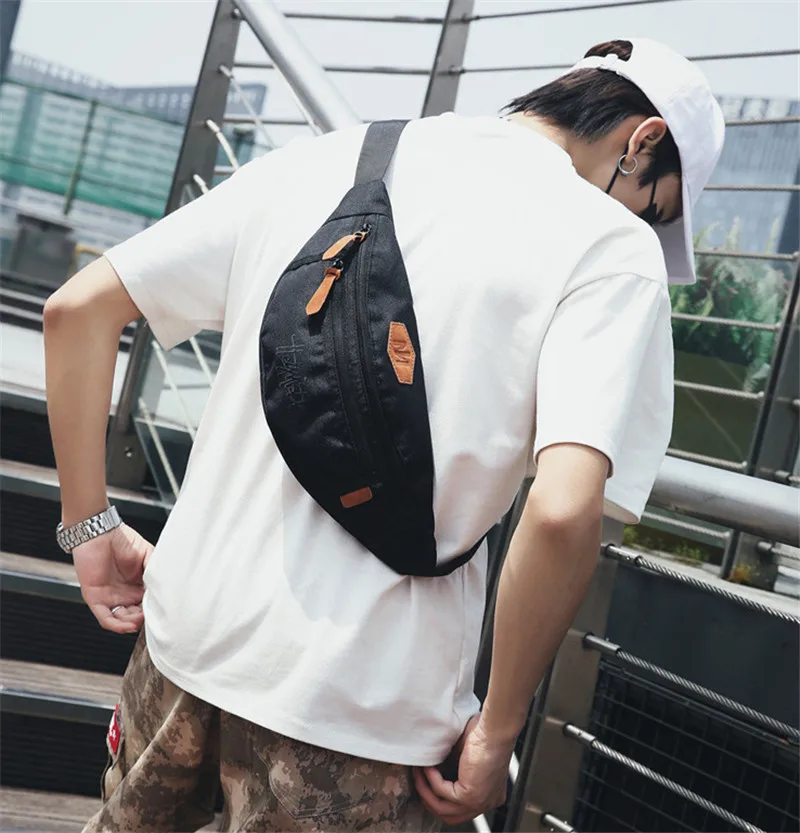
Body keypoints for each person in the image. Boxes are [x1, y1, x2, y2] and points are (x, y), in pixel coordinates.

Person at [44, 37, 724, 832]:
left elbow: (77, 309)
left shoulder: (338, 155)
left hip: (182, 644)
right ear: (642, 141)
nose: (642, 221)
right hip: (359, 711)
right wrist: (498, 726)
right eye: (655, 205)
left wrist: (90, 527)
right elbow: (564, 509)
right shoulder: (609, 248)